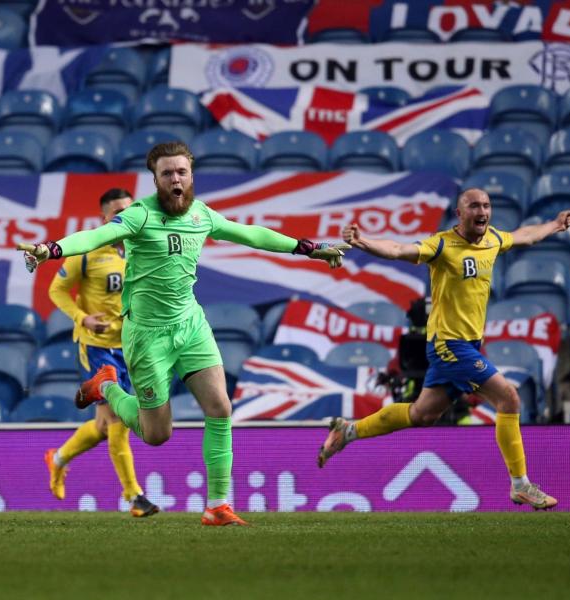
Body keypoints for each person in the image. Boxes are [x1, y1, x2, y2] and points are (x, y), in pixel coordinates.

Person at [19, 142, 348, 526]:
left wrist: (308, 248)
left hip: (191, 327)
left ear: (191, 174)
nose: (175, 179)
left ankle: (217, 505)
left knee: (221, 408)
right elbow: (92, 237)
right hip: (147, 337)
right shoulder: (140, 215)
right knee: (157, 434)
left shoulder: (202, 215)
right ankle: (106, 385)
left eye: (181, 172)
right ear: (155, 179)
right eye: (167, 173)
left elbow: (252, 235)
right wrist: (51, 248)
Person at [318, 188, 570, 510]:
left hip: (467, 344)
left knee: (422, 414)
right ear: (460, 213)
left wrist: (554, 224)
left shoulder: (493, 240)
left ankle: (348, 431)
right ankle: (521, 484)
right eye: (474, 206)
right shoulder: (441, 244)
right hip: (448, 344)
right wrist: (363, 241)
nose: (482, 211)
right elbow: (398, 249)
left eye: (486, 205)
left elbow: (525, 236)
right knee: (508, 398)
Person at [45, 188, 159, 518]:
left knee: (103, 425)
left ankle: (59, 458)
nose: (126, 215)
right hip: (97, 349)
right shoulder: (88, 250)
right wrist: (82, 318)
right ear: (104, 218)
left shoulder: (143, 249)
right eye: (118, 211)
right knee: (121, 420)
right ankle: (134, 496)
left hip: (131, 347)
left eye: (131, 209)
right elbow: (57, 290)